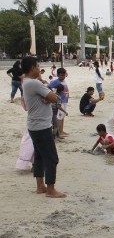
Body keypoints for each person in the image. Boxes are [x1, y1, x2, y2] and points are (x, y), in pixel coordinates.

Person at [21, 56, 66, 198]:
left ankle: (40, 186)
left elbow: (48, 97)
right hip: (41, 126)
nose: (39, 68)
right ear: (32, 68)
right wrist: (46, 90)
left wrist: (45, 91)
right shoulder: (33, 83)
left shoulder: (28, 82)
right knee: (52, 158)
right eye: (37, 65)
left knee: (40, 156)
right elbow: (54, 98)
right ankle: (51, 189)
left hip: (35, 125)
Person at [49, 68, 70, 138]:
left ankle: (61, 130)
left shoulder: (64, 81)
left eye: (63, 75)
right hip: (60, 102)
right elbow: (48, 87)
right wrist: (53, 95)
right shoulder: (56, 81)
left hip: (65, 101)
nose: (62, 77)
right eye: (61, 75)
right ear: (58, 75)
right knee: (59, 117)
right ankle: (59, 132)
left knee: (62, 117)